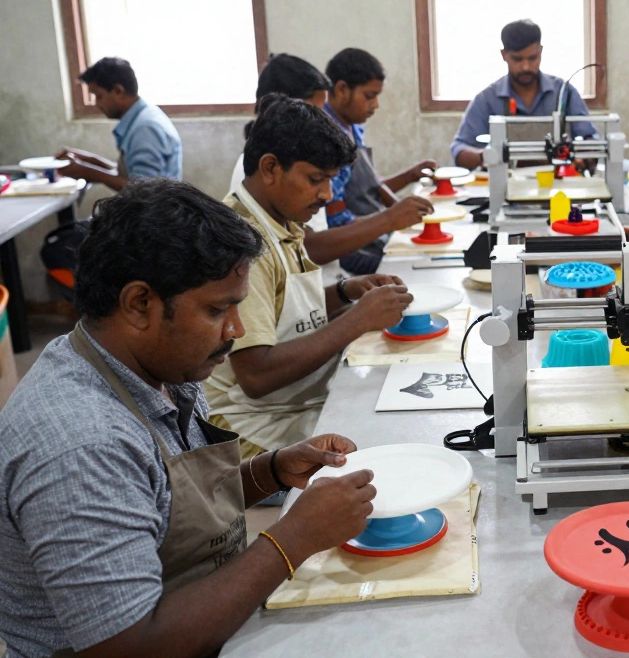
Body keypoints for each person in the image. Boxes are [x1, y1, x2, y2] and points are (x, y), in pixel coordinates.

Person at [0, 179, 376, 658]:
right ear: (139, 304)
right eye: (219, 309)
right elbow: (129, 645)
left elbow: (161, 504)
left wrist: (271, 471)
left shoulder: (160, 367)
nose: (237, 330)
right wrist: (292, 538)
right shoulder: (80, 443)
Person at [205, 95, 413, 459]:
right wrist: (358, 320)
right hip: (250, 426)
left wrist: (346, 293)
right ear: (270, 168)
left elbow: (286, 312)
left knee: (393, 417)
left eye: (330, 180)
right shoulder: (240, 243)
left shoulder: (281, 219)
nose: (326, 194)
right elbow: (256, 376)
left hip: (289, 404)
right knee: (386, 451)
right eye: (316, 179)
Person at [317, 48, 438, 274]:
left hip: (370, 235)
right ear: (342, 89)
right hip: (350, 249)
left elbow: (367, 189)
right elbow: (335, 221)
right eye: (369, 96)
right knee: (413, 270)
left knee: (425, 258)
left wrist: (409, 178)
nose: (375, 105)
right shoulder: (326, 138)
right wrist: (389, 220)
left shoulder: (352, 127)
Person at [450, 19, 600, 170]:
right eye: (517, 59)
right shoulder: (487, 99)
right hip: (504, 188)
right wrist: (485, 156)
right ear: (504, 55)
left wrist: (583, 155)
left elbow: (591, 138)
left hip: (557, 186)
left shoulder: (564, 93)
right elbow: (459, 148)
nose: (526, 67)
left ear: (540, 52)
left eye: (532, 58)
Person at [230, 53, 333, 235]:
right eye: (312, 111)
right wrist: (388, 220)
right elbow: (310, 247)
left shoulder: (302, 159)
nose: (322, 121)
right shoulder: (258, 169)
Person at [56, 57, 182, 189]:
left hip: (156, 209)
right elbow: (131, 174)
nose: (97, 104)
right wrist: (89, 161)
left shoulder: (145, 128)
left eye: (99, 96)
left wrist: (88, 172)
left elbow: (143, 190)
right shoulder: (144, 116)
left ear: (118, 91)